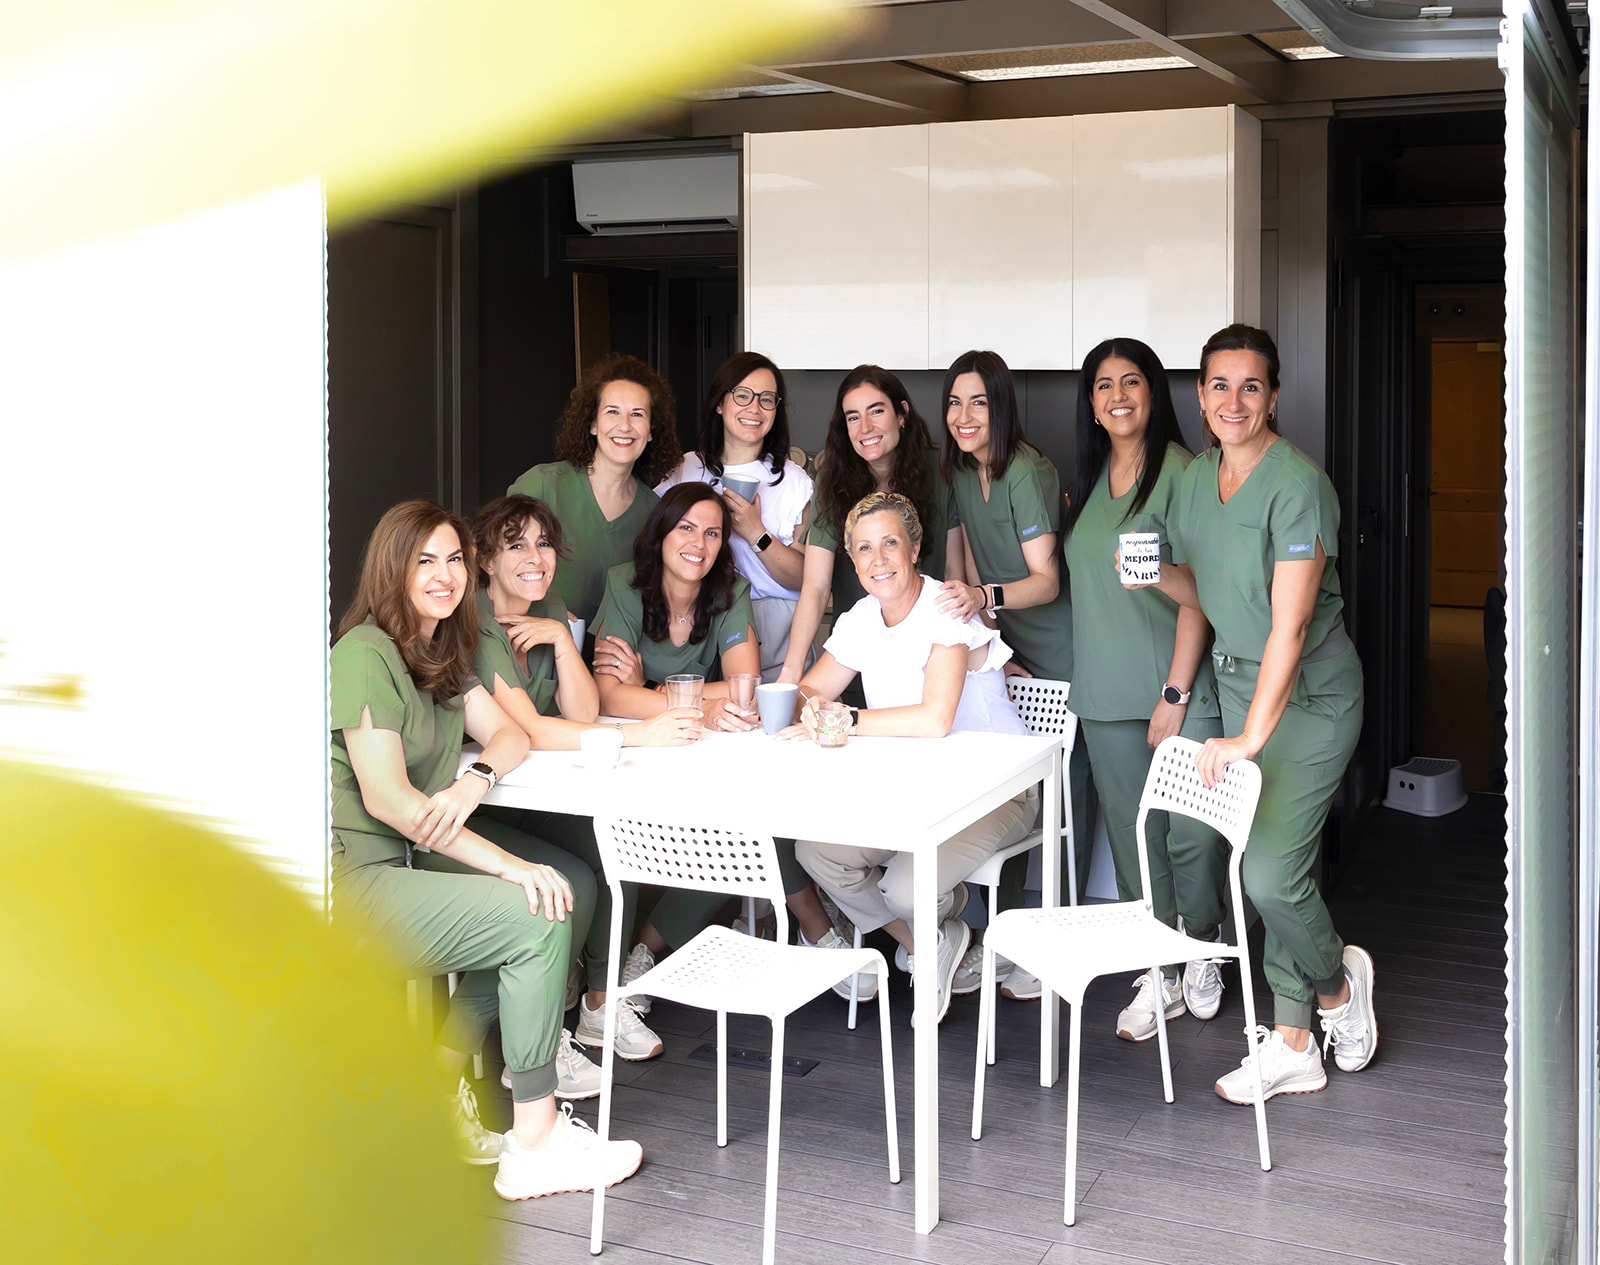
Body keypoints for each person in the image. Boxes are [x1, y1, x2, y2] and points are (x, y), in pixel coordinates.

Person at [329, 499, 641, 1200]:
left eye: (454, 559)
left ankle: (441, 1079)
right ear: (392, 570)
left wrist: (475, 779)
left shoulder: (436, 650)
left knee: (558, 886)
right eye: (425, 560)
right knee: (537, 908)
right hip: (359, 880)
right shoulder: (363, 653)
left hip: (412, 858)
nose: (445, 574)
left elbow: (510, 735)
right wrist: (510, 863)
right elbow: (389, 802)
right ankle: (534, 1141)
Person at [1151, 323, 1375, 1103]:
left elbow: (1287, 623)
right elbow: (1204, 593)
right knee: (1276, 866)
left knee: (1270, 873)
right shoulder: (1195, 477)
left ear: (1274, 394)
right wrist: (1150, 577)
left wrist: (1249, 735)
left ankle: (1338, 985)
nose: (1234, 400)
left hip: (1309, 696)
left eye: (1251, 385)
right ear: (1201, 394)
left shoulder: (1298, 483)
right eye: (1219, 384)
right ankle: (1293, 1042)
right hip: (1241, 687)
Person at [788, 491, 1039, 1023]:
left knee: (905, 887)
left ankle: (935, 935)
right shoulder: (861, 617)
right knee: (818, 853)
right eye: (863, 550)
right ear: (852, 563)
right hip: (915, 795)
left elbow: (934, 720)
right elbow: (811, 691)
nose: (877, 560)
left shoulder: (944, 607)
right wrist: (813, 712)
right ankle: (932, 943)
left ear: (915, 548)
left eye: (889, 545)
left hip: (998, 789)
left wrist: (846, 720)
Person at [469, 493, 702, 1064]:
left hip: (541, 798)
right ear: (484, 558)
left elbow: (580, 716)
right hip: (484, 804)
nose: (535, 557)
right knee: (580, 878)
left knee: (614, 852)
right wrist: (636, 737)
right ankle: (542, 1031)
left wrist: (559, 640)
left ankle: (600, 1007)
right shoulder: (473, 619)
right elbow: (529, 729)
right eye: (516, 544)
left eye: (544, 544)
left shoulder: (545, 608)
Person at [591, 482, 851, 992]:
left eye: (713, 533)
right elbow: (607, 697)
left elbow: (746, 690)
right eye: (686, 528)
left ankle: (643, 953)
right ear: (662, 533)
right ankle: (818, 931)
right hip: (638, 754)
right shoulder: (624, 584)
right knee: (735, 831)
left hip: (700, 752)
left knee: (742, 827)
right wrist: (697, 700)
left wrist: (649, 685)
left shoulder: (728, 589)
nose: (700, 543)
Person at [1061, 338, 1230, 1042]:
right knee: (1136, 840)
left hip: (1174, 688)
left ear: (1155, 394)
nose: (1118, 395)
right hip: (1104, 690)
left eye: (1132, 381)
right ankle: (1156, 967)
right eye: (1104, 385)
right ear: (1092, 404)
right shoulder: (1095, 476)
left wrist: (1175, 690)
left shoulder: (1187, 472)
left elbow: (1205, 594)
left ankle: (1202, 944)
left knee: (1191, 835)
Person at [936, 348, 1094, 1001]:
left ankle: (1059, 943)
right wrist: (988, 638)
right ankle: (1012, 935)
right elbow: (959, 569)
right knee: (1011, 793)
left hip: (1060, 648)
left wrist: (986, 602)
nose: (964, 415)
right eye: (953, 402)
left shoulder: (1027, 472)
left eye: (978, 401)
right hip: (1006, 649)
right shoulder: (958, 474)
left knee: (1064, 794)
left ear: (1001, 407)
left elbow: (1047, 580)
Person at [780, 365, 964, 697]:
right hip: (857, 658)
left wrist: (983, 644)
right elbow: (816, 586)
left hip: (930, 656)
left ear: (901, 413)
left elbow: (954, 573)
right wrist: (790, 675)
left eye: (876, 411)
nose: (865, 427)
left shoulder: (939, 474)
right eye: (852, 417)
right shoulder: (831, 481)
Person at [658, 352, 814, 682]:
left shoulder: (793, 481)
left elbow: (808, 580)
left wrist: (756, 532)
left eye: (767, 399)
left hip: (773, 630)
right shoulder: (682, 470)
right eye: (742, 395)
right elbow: (652, 546)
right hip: (692, 623)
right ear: (719, 403)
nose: (754, 408)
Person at [507, 352, 682, 633]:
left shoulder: (654, 512)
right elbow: (492, 561)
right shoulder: (542, 484)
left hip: (612, 660)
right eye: (612, 411)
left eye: (637, 414)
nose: (624, 426)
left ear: (651, 431)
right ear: (592, 424)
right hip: (530, 650)